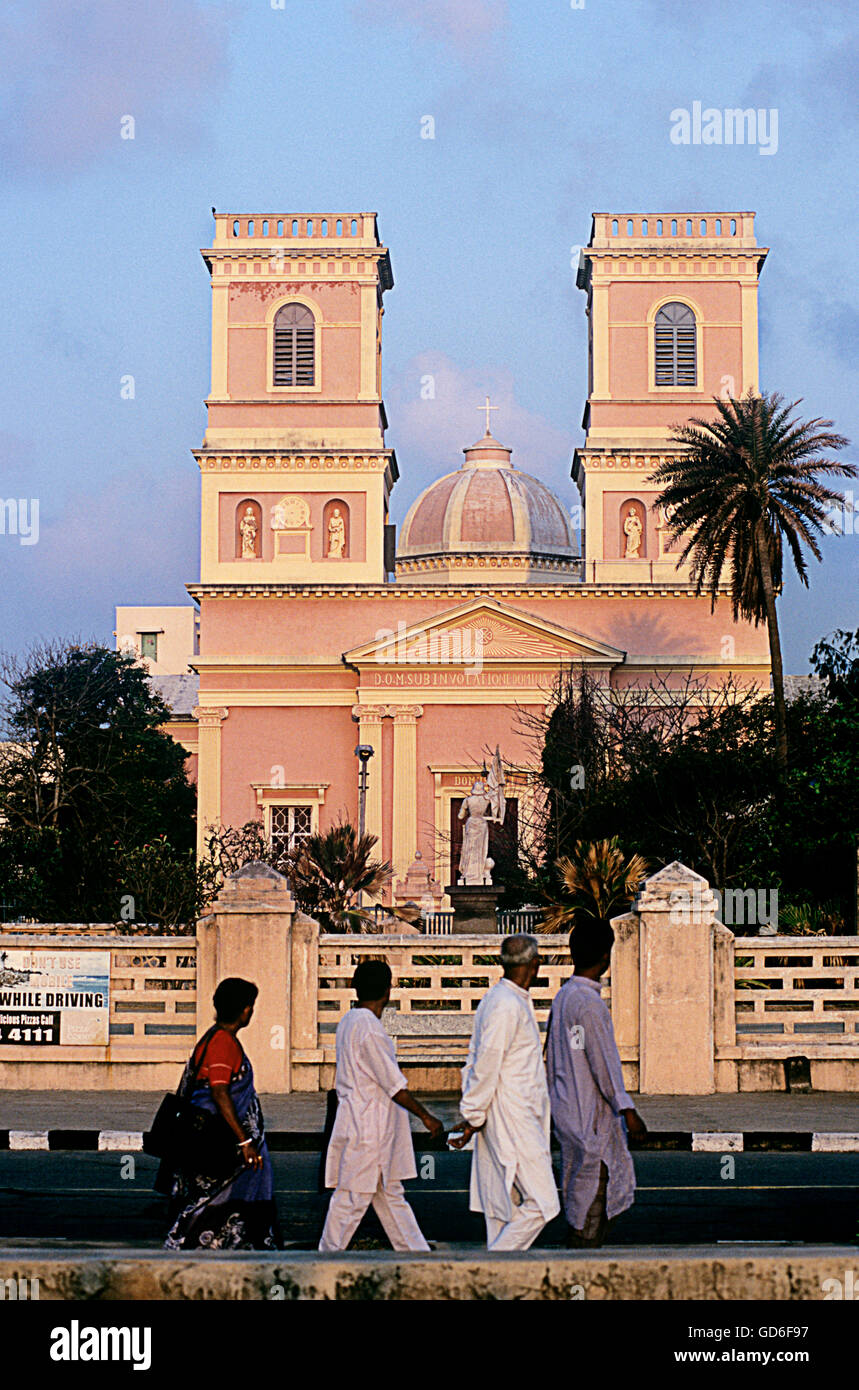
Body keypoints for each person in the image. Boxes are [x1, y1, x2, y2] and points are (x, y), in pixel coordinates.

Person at [319, 960, 444, 1252]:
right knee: (352, 1199)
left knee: (389, 1196)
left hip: (359, 1121)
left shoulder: (350, 1021)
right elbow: (394, 1086)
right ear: (387, 992)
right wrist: (426, 1117)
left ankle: (418, 1257)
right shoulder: (370, 1030)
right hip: (369, 1128)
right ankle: (324, 1260)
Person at [450, 934, 560, 1251]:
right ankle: (492, 1267)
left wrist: (474, 1115)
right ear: (535, 963)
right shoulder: (504, 1005)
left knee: (503, 1206)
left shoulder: (507, 1000)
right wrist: (473, 1115)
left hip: (514, 1113)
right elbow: (484, 1064)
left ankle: (500, 1284)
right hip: (511, 1117)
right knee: (543, 1203)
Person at [546, 919, 647, 1248]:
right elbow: (602, 1061)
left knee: (581, 1182)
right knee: (594, 1188)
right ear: (606, 956)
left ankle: (582, 1241)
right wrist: (627, 1108)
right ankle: (583, 1258)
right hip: (588, 1112)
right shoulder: (589, 1005)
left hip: (568, 1108)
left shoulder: (565, 997)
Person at [163, 977, 280, 1250]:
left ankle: (232, 1247)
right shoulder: (223, 1043)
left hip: (215, 1136)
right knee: (213, 1198)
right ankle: (186, 1245)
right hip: (221, 1141)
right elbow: (219, 1092)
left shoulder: (214, 1037)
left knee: (225, 1198)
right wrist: (245, 1142)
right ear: (245, 1011)